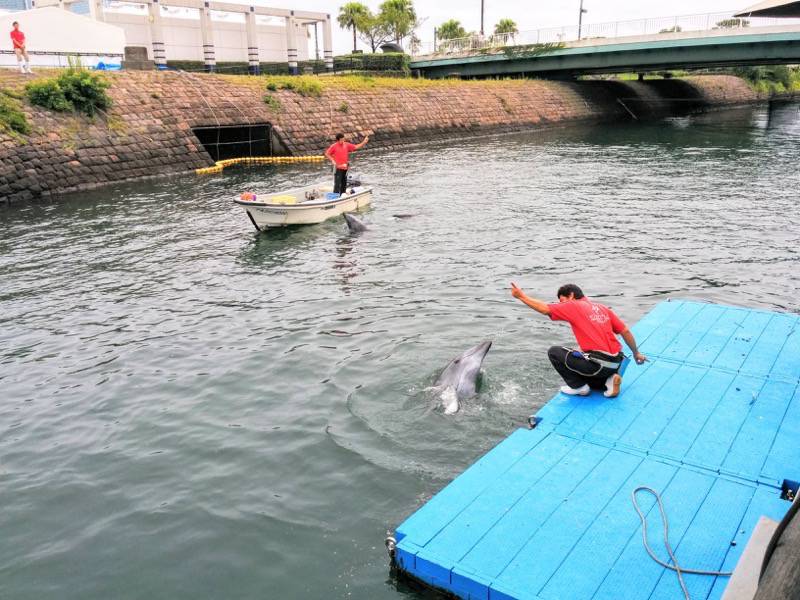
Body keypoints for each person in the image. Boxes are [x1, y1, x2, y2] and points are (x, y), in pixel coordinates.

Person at [510, 282, 646, 398]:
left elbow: (545, 309)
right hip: (617, 363)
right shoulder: (603, 308)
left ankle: (579, 387)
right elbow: (625, 331)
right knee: (581, 353)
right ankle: (609, 380)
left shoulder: (573, 305)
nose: (561, 305)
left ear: (571, 296)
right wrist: (636, 353)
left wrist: (521, 296)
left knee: (554, 352)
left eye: (562, 301)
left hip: (599, 364)